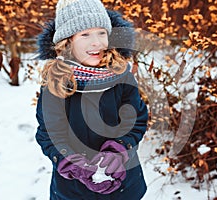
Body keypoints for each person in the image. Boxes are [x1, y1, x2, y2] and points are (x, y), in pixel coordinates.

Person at [35, 0, 148, 199]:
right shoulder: (56, 83)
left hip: (124, 185)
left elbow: (136, 120)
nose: (96, 42)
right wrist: (70, 161)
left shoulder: (122, 76)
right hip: (73, 190)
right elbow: (50, 134)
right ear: (67, 41)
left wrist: (120, 149)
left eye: (101, 33)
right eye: (85, 34)